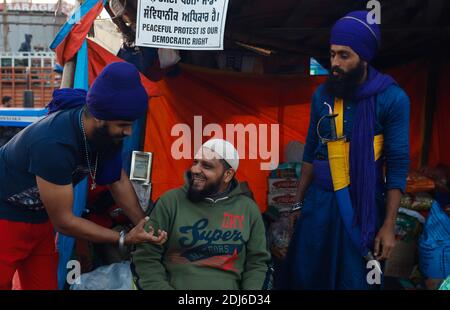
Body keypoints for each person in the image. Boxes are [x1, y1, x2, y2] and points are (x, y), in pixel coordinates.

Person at [0, 62, 167, 290]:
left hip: (39, 220)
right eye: (123, 125)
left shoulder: (106, 135)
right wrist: (121, 239)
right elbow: (64, 221)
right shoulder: (53, 144)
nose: (128, 132)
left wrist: (144, 225)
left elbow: (117, 181)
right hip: (5, 219)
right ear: (98, 117)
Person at [281, 11, 410, 289]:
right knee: (306, 275)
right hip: (319, 204)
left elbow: (397, 167)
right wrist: (298, 202)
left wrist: (388, 226)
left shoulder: (392, 99)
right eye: (332, 54)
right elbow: (311, 152)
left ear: (364, 57)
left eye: (344, 56)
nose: (334, 64)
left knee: (354, 280)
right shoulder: (323, 95)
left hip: (362, 209)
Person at [132, 138, 272, 290]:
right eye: (195, 162)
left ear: (228, 175)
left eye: (206, 166)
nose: (195, 170)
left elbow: (258, 265)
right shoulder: (170, 202)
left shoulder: (248, 210)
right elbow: (145, 257)